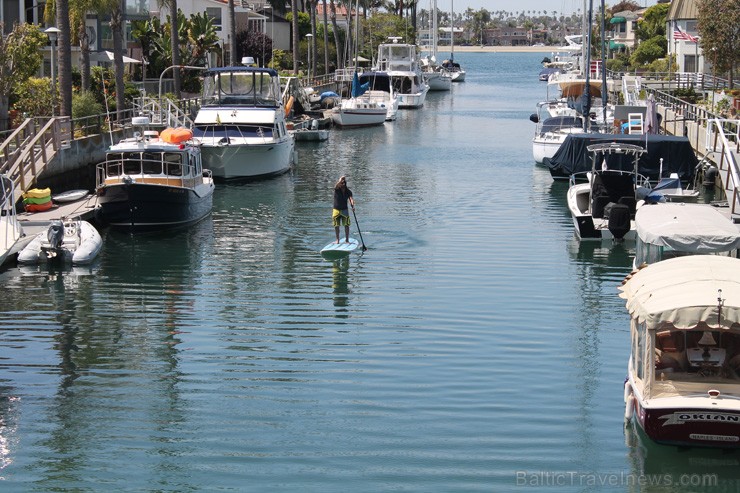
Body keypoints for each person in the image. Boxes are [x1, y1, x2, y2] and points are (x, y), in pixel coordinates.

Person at [332, 176, 355, 243]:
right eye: (341, 184)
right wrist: (340, 179)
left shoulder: (348, 191)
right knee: (336, 225)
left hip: (344, 210)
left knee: (346, 225)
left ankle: (347, 240)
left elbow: (351, 199)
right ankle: (337, 240)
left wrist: (353, 206)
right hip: (336, 210)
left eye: (344, 184)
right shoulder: (337, 189)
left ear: (345, 185)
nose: (342, 186)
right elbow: (336, 185)